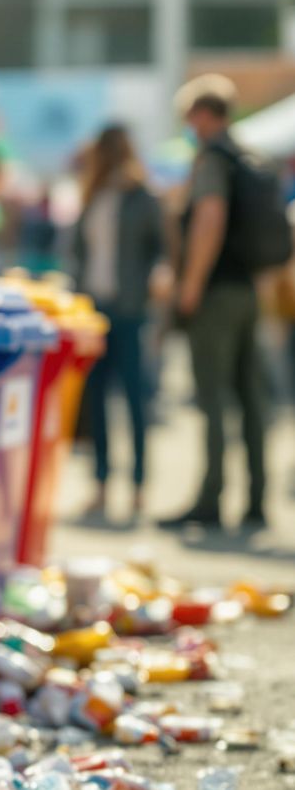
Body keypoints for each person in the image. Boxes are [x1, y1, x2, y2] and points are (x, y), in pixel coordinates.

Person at [161, 75, 267, 530]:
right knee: (250, 397)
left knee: (212, 397)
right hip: (247, 290)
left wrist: (191, 284)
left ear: (203, 114)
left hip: (216, 291)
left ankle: (211, 499)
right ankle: (256, 500)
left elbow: (210, 218)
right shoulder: (249, 158)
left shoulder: (212, 159)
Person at [73, 124, 166, 522]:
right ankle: (101, 482)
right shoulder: (92, 194)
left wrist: (156, 280)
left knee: (133, 398)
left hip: (129, 307)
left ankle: (140, 485)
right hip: (95, 307)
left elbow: (159, 247)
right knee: (96, 400)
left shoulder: (141, 196)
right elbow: (79, 250)